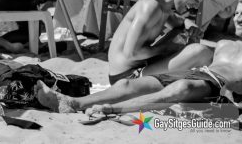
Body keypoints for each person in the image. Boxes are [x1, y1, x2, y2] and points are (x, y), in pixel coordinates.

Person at [36, 39, 242, 115]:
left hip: (218, 84)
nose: (238, 18)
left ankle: (111, 109)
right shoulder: (224, 44)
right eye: (237, 13)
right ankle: (72, 103)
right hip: (196, 74)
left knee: (182, 88)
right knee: (127, 84)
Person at [107, 0, 213, 85]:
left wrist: (192, 27)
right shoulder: (150, 6)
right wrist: (165, 48)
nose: (197, 6)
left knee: (185, 34)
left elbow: (181, 23)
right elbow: (131, 53)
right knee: (200, 52)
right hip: (126, 77)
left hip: (140, 67)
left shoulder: (164, 7)